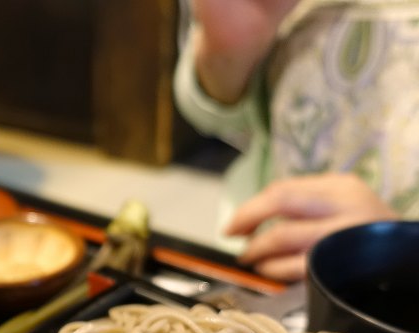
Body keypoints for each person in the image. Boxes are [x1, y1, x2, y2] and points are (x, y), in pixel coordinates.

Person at [174, 0, 419, 281]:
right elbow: (220, 117)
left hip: (396, 297)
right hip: (263, 255)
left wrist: (401, 245)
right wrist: (227, 50)